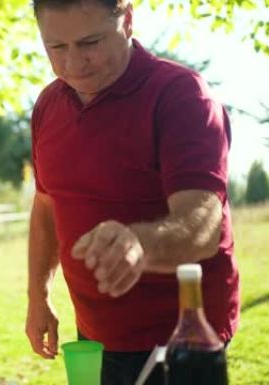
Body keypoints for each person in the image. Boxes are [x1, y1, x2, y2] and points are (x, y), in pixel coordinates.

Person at [26, 1, 239, 384]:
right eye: (56, 47)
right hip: (93, 331)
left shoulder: (181, 95)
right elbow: (46, 206)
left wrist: (139, 244)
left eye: (90, 42)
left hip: (181, 336)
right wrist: (38, 296)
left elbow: (203, 225)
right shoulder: (47, 105)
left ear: (127, 20)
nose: (74, 64)